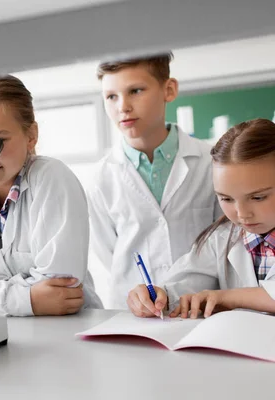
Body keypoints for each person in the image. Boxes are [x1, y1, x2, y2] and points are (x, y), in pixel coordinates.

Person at [0, 75, 102, 316]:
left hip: (66, 333)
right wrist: (28, 298)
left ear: (31, 135)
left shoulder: (52, 178)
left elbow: (60, 288)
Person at [88, 52, 220, 308]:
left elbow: (221, 243)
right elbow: (108, 253)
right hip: (134, 312)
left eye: (135, 90)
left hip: (200, 305)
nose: (122, 106)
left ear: (168, 90)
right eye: (111, 96)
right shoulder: (100, 177)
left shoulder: (210, 162)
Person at [127, 119, 275, 319]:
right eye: (226, 198)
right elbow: (186, 284)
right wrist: (159, 296)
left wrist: (228, 298)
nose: (241, 214)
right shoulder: (221, 239)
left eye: (258, 197)